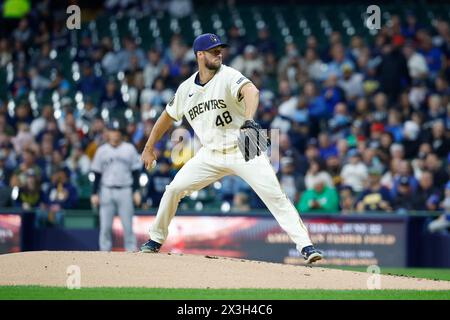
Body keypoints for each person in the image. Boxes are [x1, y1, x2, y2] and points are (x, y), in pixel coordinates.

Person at [139, 33, 322, 264]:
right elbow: (166, 118)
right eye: (214, 51)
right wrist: (149, 147)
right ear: (200, 55)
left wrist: (248, 120)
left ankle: (306, 246)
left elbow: (252, 92)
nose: (219, 54)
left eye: (220, 50)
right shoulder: (186, 90)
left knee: (275, 196)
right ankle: (154, 240)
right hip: (209, 154)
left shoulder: (228, 75)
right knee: (174, 189)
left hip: (243, 147)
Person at [90, 119, 142, 252]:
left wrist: (136, 191)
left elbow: (136, 172)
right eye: (113, 131)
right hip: (106, 190)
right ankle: (104, 254)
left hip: (125, 190)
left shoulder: (129, 149)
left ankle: (131, 253)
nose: (115, 134)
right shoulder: (102, 150)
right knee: (105, 227)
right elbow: (97, 174)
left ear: (121, 134)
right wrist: (94, 193)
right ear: (108, 133)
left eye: (117, 131)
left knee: (128, 226)